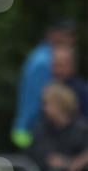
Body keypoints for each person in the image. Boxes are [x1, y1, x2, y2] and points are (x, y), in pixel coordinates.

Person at [10, 19, 76, 148]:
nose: (71, 40)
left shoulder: (39, 55)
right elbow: (43, 98)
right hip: (31, 128)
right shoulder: (45, 61)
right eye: (68, 35)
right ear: (54, 34)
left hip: (26, 127)